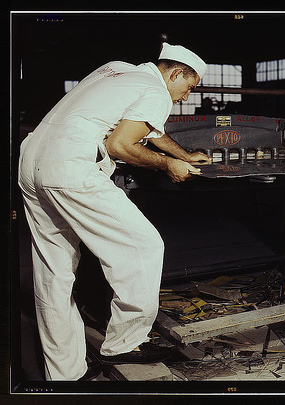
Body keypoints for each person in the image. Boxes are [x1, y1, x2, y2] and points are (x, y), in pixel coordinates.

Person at [18, 41, 212, 381]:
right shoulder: (157, 91)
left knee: (54, 275)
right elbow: (120, 144)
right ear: (177, 73)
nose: (185, 97)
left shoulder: (115, 68)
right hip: (71, 168)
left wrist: (182, 155)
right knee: (143, 247)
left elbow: (145, 128)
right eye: (188, 88)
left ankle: (65, 374)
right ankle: (124, 344)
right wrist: (169, 165)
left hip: (32, 161)